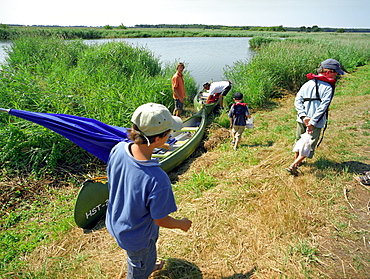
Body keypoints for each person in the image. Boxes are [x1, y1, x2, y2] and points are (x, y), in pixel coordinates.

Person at [106, 103, 192, 279]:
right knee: (138, 267)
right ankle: (144, 269)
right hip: (137, 237)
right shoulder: (157, 179)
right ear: (159, 139)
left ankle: (149, 265)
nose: (169, 136)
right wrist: (181, 224)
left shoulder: (119, 149)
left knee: (144, 258)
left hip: (116, 220)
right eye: (169, 133)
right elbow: (160, 219)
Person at [286, 58, 345, 176]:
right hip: (316, 122)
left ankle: (296, 162)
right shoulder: (328, 87)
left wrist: (303, 116)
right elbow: (323, 106)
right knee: (309, 144)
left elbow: (298, 101)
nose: (337, 76)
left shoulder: (306, 84)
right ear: (328, 72)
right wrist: (312, 122)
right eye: (336, 73)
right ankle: (293, 165)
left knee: (299, 141)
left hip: (301, 119)